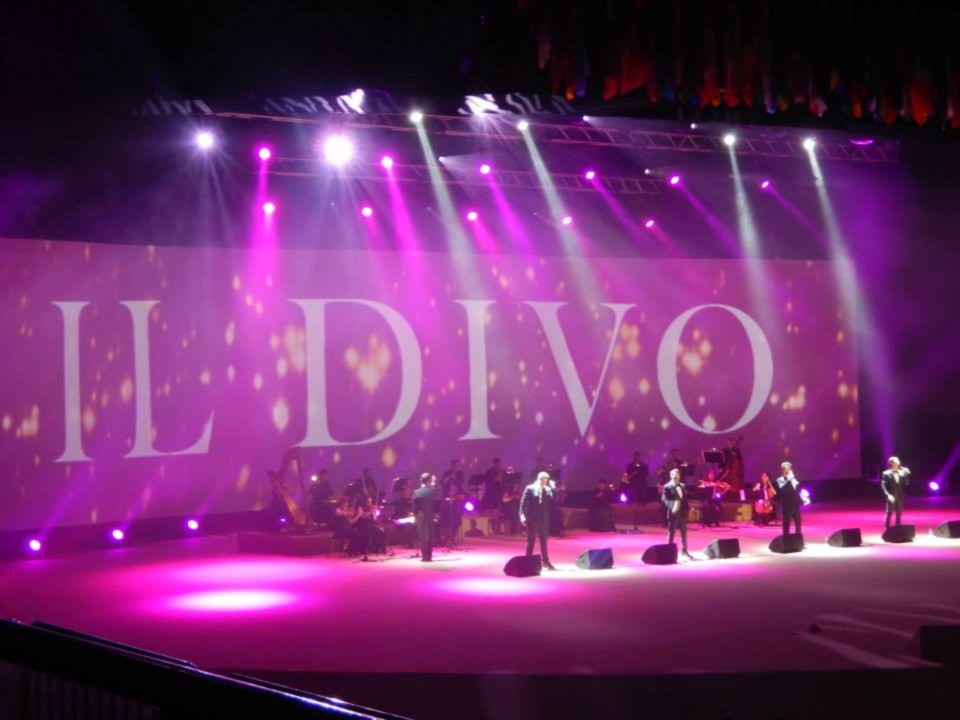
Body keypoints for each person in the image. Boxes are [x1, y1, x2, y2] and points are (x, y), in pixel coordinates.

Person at [520, 471, 557, 570]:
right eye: (544, 479)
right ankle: (527, 561)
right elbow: (523, 503)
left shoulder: (548, 489)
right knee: (531, 540)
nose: (546, 481)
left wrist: (553, 489)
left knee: (543, 541)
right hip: (533, 518)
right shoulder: (530, 488)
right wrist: (522, 515)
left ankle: (545, 562)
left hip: (544, 518)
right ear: (539, 479)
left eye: (547, 480)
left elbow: (554, 500)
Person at [661, 469, 693, 559]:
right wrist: (673, 506)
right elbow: (664, 499)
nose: (676, 476)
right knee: (672, 531)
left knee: (684, 532)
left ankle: (684, 550)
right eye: (674, 475)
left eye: (678, 474)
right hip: (674, 512)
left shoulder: (682, 485)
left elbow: (684, 499)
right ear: (671, 476)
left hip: (682, 512)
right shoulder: (667, 486)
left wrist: (688, 509)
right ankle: (669, 551)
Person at [413, 473, 439, 562]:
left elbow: (415, 507)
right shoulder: (433, 491)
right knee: (430, 536)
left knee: (422, 536)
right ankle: (429, 557)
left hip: (421, 515)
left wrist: (415, 515)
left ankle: (424, 557)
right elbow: (436, 503)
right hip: (430, 514)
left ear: (421, 481)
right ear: (429, 480)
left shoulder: (417, 492)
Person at [881, 456, 912, 528]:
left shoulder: (902, 473)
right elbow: (883, 486)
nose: (899, 463)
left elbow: (906, 483)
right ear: (891, 463)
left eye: (898, 461)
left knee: (899, 515)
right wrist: (888, 495)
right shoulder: (886, 473)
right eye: (897, 462)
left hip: (900, 497)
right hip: (891, 496)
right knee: (889, 514)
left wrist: (906, 474)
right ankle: (887, 529)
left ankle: (898, 530)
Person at [774, 461, 803, 538]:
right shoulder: (780, 480)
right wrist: (788, 480)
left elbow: (797, 490)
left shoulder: (794, 479)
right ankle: (786, 538)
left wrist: (802, 498)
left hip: (795, 504)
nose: (787, 470)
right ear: (782, 470)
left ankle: (798, 538)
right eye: (785, 469)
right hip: (786, 504)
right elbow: (783, 490)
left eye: (789, 469)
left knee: (798, 521)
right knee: (786, 522)